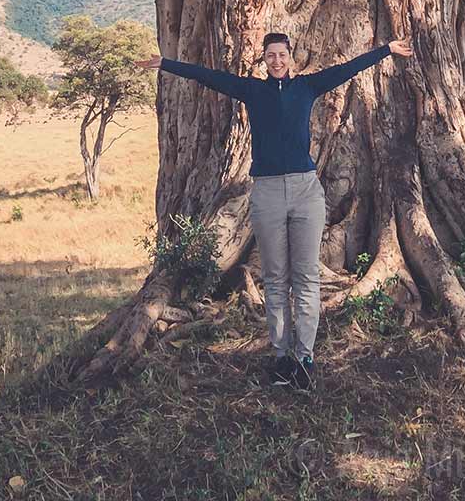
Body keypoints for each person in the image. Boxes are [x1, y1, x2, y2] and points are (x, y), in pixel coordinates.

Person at [139, 31, 413, 390]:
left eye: (282, 54)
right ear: (264, 60)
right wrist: (166, 64)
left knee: (306, 278)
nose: (277, 60)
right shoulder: (253, 91)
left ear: (291, 57)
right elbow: (210, 77)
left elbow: (348, 68)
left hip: (305, 192)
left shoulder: (308, 87)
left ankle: (305, 358)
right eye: (271, 55)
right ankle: (282, 356)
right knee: (276, 278)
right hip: (267, 192)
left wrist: (386, 50)